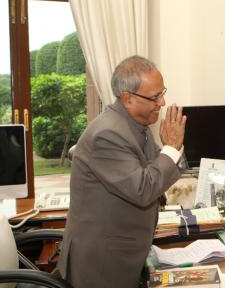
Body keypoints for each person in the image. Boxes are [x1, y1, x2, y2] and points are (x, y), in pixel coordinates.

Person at [56, 55, 187, 288]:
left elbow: (159, 168)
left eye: (162, 92)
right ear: (127, 98)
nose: (163, 102)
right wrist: (171, 148)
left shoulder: (136, 125)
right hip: (103, 265)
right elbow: (144, 188)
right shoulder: (109, 134)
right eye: (155, 96)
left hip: (124, 251)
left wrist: (171, 148)